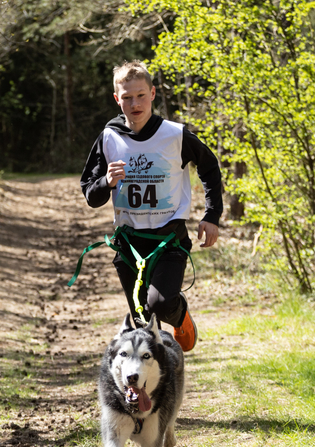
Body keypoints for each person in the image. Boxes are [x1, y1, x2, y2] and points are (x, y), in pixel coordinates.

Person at [80, 60, 223, 352]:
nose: (135, 103)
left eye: (141, 95)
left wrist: (212, 215)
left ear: (153, 93)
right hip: (129, 243)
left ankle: (180, 316)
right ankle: (149, 393)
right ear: (116, 99)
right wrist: (106, 182)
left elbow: (209, 168)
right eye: (127, 97)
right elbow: (91, 196)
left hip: (169, 239)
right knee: (143, 321)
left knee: (159, 304)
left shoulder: (174, 134)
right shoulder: (109, 137)